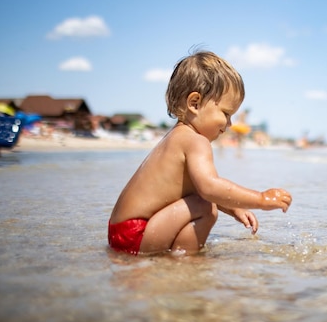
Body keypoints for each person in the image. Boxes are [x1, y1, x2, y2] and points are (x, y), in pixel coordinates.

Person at [108, 51, 292, 256]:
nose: (229, 124)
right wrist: (261, 199)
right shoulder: (196, 141)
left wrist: (234, 208)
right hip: (137, 235)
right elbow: (209, 187)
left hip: (123, 231)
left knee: (203, 200)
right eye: (226, 114)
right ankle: (186, 260)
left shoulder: (176, 137)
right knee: (205, 206)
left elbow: (198, 187)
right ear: (194, 103)